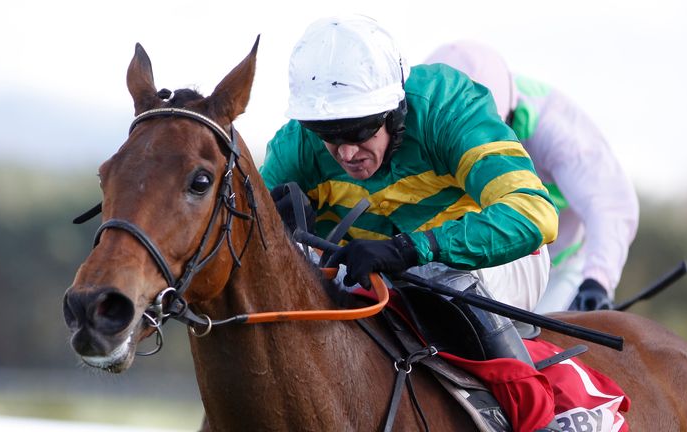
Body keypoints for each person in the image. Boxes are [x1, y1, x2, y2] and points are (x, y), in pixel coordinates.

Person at [260, 15, 558, 367]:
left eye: (357, 132)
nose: (346, 153)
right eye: (329, 135)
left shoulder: (448, 110)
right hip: (378, 274)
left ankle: (536, 410)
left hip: (502, 261)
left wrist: (412, 247)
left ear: (395, 111)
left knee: (428, 276)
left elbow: (536, 215)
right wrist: (278, 233)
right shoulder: (295, 145)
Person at [425, 41, 639, 313]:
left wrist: (596, 282)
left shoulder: (559, 134)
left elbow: (609, 207)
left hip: (558, 266)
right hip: (481, 248)